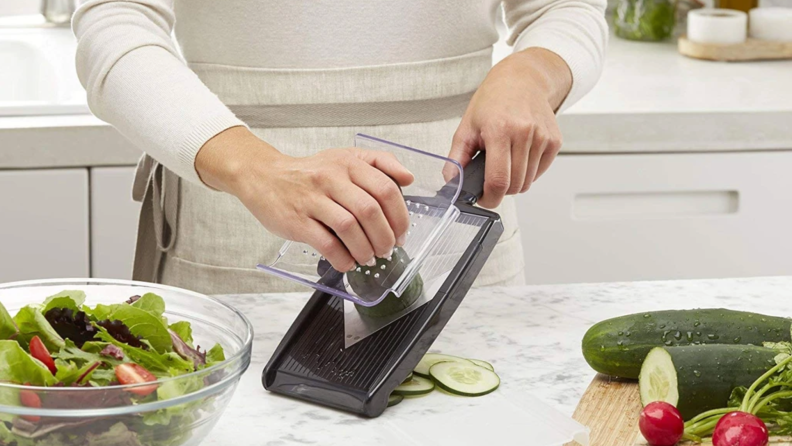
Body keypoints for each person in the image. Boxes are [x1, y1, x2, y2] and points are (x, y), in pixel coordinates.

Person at [72, 1, 607, 294]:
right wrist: (259, 171)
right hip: (242, 217)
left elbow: (567, 8)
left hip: (457, 222)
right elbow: (114, 22)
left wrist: (532, 70)